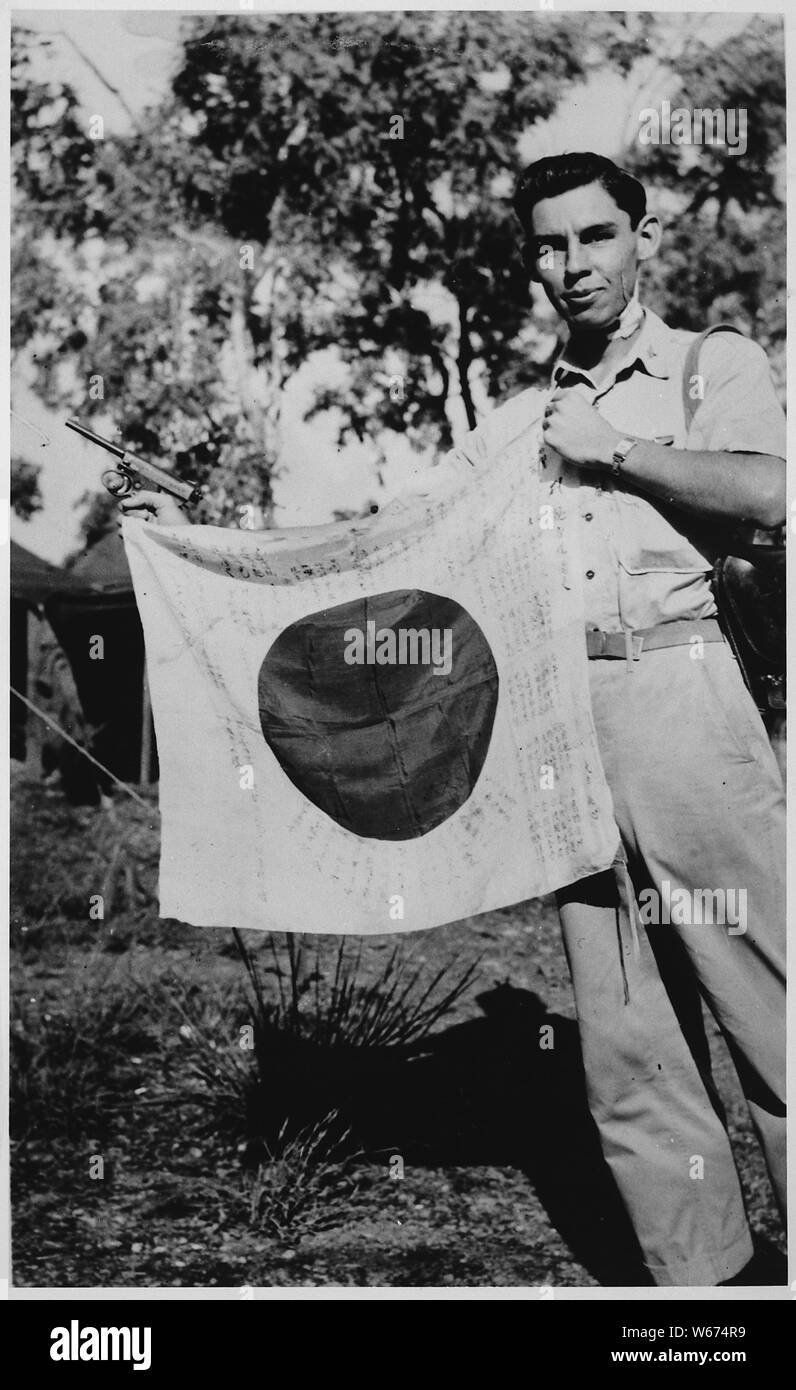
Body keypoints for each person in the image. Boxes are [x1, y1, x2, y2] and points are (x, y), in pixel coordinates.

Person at [122, 151, 786, 1288]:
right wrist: (207, 537)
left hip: (685, 706)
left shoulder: (704, 365)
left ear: (641, 236)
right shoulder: (517, 422)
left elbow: (771, 491)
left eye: (594, 236)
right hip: (561, 732)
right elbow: (386, 546)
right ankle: (708, 1295)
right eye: (549, 244)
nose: (573, 265)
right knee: (631, 1053)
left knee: (767, 1007)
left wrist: (615, 452)